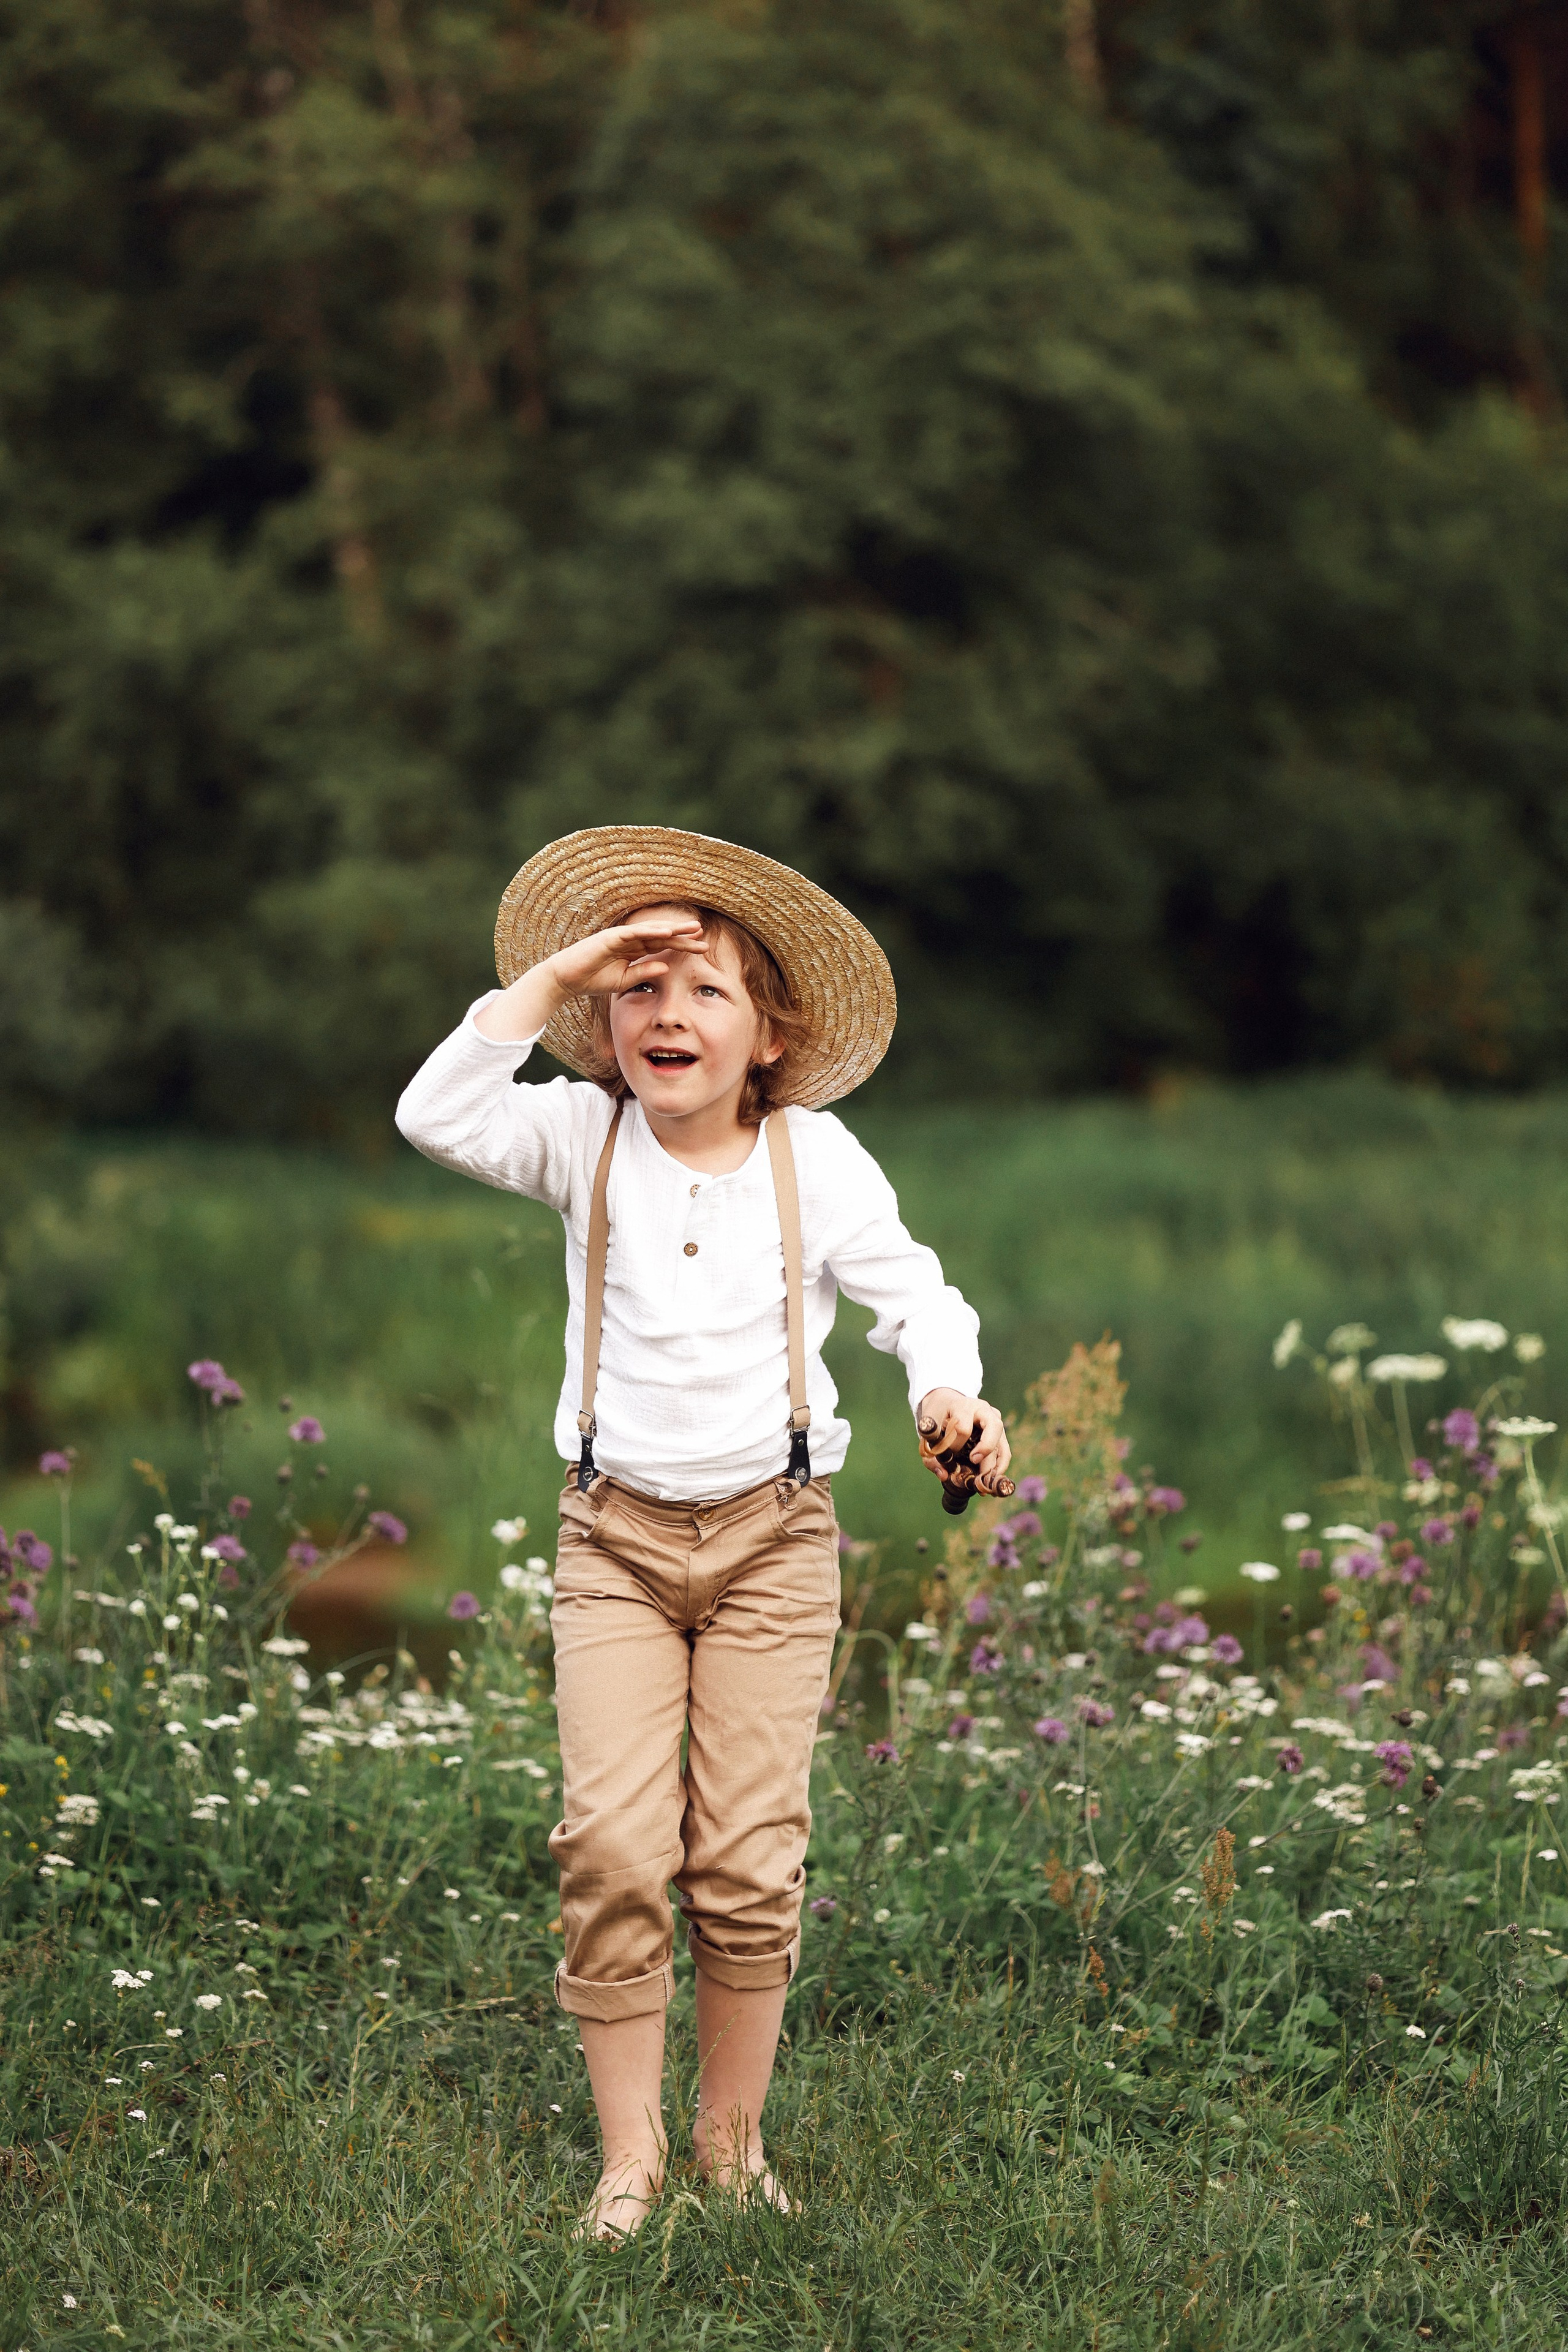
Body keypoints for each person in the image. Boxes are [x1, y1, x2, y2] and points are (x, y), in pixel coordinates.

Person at [395, 826, 1010, 2237]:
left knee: (744, 1856)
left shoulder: (814, 1157)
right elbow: (435, 1113)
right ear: (603, 1017)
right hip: (610, 1541)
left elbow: (916, 1297)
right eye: (639, 987)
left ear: (770, 1033)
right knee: (614, 1848)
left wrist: (947, 1390)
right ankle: (631, 2159)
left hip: (771, 1543)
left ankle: (731, 2149)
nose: (666, 1013)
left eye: (705, 989)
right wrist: (559, 975)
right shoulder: (578, 1134)